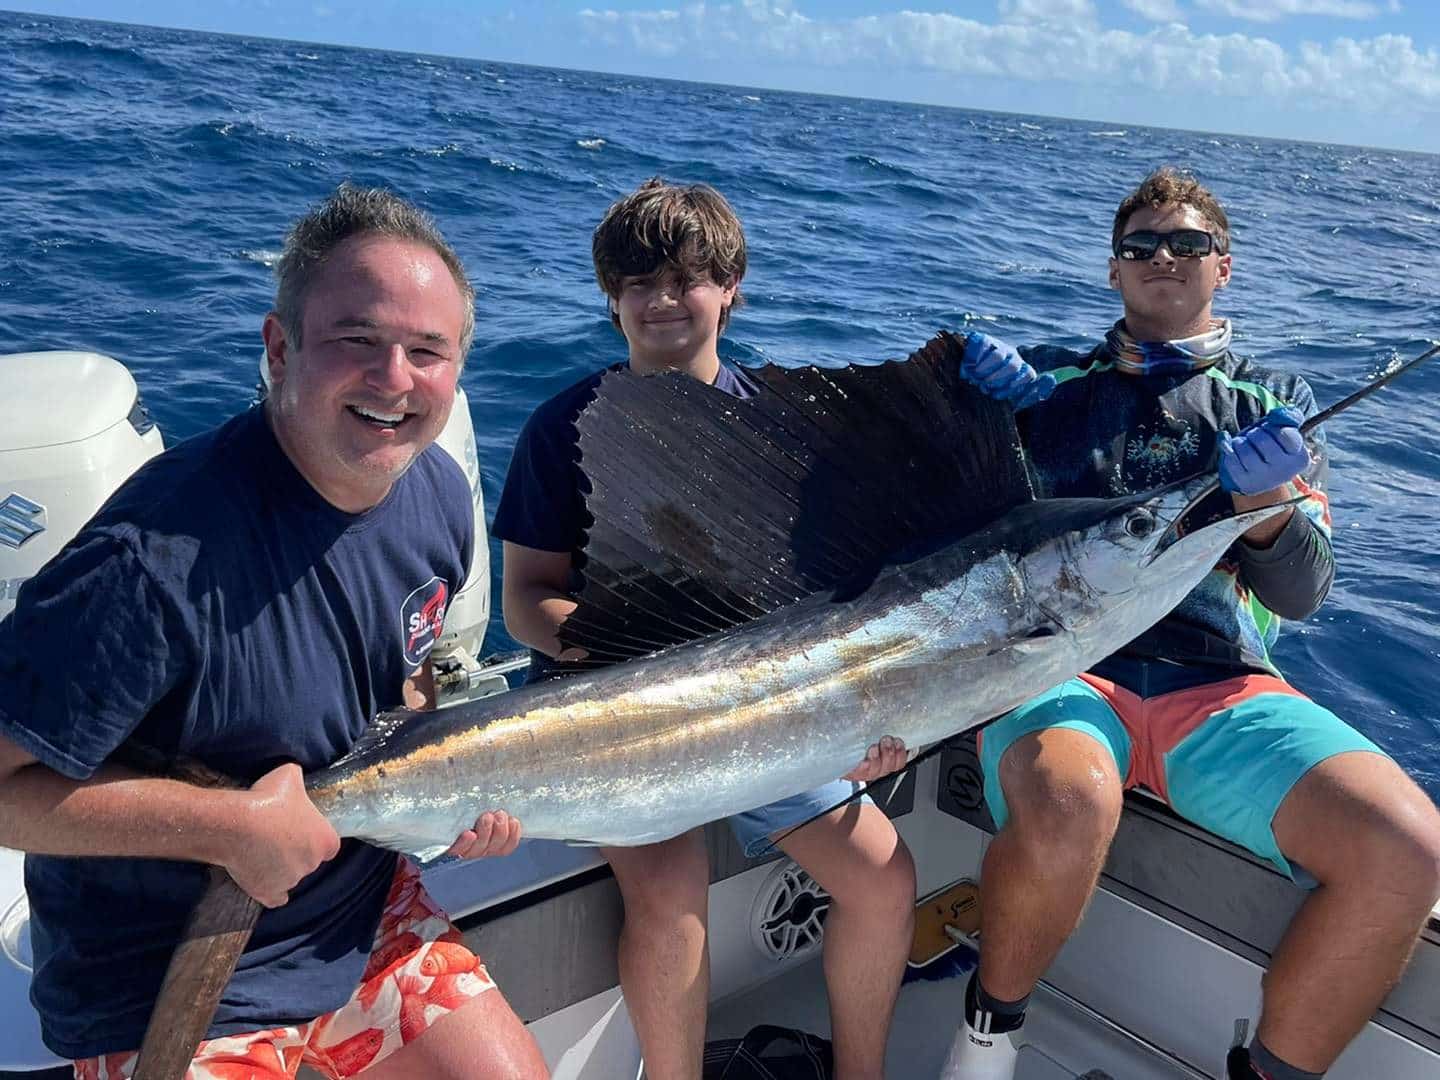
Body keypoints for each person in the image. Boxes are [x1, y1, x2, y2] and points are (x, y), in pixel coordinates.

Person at [0, 184, 549, 1079]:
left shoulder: (439, 497)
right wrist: (227, 825)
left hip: (354, 910)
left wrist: (448, 806)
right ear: (280, 346)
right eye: (358, 341)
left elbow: (404, 689)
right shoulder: (150, 561)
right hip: (159, 960)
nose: (396, 378)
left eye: (428, 351)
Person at [935, 167, 1440, 1080]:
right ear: (1113, 272)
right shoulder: (1043, 391)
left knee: (1408, 847)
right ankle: (986, 1041)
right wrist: (967, 397)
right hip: (1064, 664)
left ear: (1224, 266)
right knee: (1071, 793)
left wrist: (1277, 510)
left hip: (1220, 683)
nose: (1163, 258)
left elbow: (1298, 596)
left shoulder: (1272, 406)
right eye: (1140, 246)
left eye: (1187, 243)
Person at [493, 177, 917, 1080]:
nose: (660, 301)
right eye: (637, 283)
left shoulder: (781, 431)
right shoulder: (563, 426)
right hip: (612, 711)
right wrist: (630, 659)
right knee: (671, 897)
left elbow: (837, 602)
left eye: (685, 279)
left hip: (767, 708)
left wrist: (875, 724)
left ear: (731, 291)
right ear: (611, 302)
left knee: (883, 878)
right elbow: (525, 599)